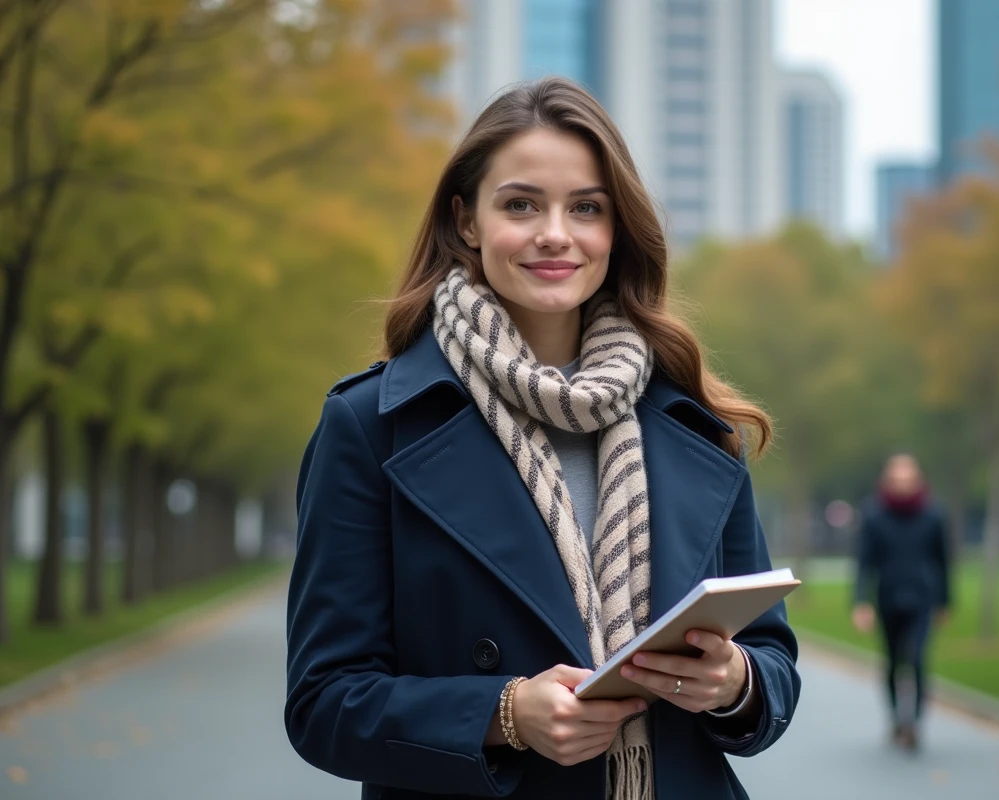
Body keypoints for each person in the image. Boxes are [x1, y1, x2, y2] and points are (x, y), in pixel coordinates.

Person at [284, 77, 800, 800]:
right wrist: (502, 715)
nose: (555, 233)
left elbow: (772, 663)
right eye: (521, 204)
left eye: (585, 207)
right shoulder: (372, 426)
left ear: (616, 229)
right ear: (466, 221)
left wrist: (733, 681)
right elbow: (323, 703)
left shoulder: (692, 421)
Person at [851, 453, 951, 752]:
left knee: (918, 659)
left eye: (908, 480)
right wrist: (860, 602)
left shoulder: (934, 514)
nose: (903, 485)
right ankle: (896, 718)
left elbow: (943, 561)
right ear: (888, 481)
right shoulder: (874, 514)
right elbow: (864, 562)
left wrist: (945, 602)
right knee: (893, 662)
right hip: (888, 597)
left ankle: (915, 723)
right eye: (897, 480)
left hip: (923, 598)